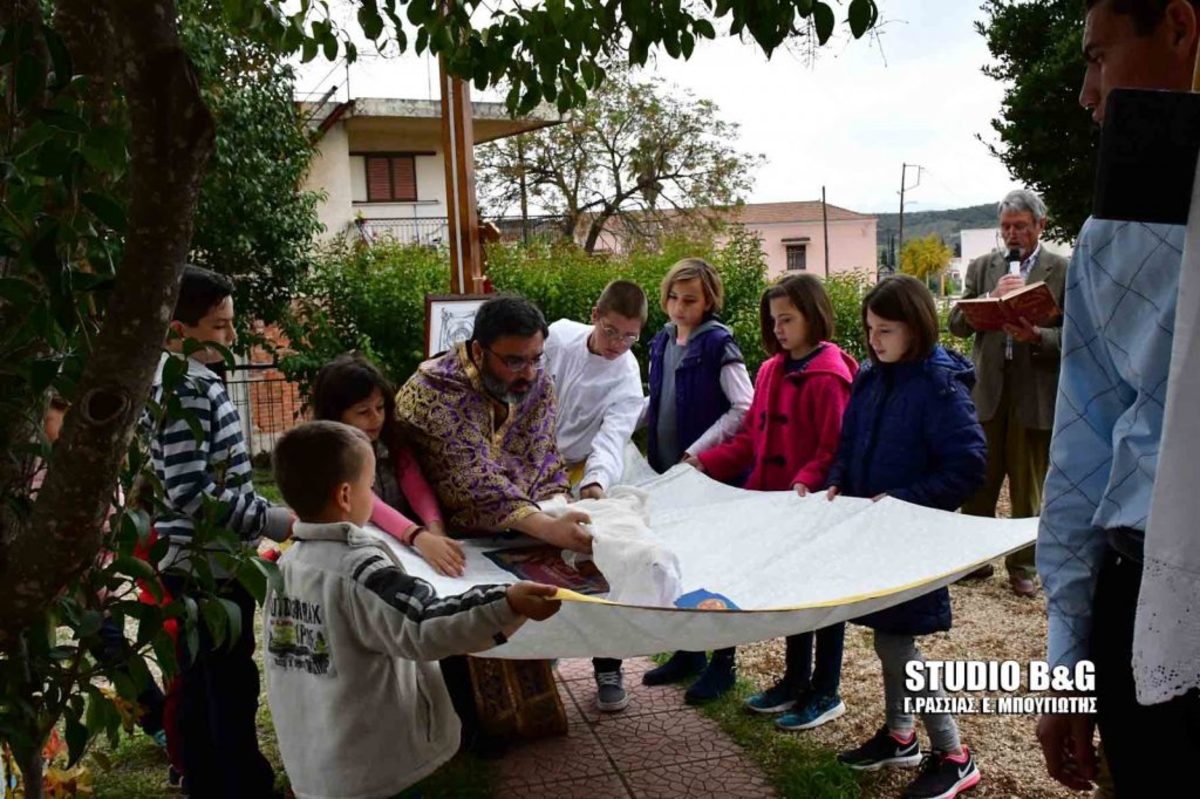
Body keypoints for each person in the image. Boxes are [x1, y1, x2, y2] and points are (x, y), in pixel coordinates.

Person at [1037, 1, 1200, 792]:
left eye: (1099, 57)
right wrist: (1066, 666)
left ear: (1179, 29)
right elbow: (1083, 452)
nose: (1086, 94)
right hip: (1142, 593)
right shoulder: (1115, 234)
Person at [264, 420, 561, 799]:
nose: (373, 495)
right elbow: (425, 622)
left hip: (317, 765)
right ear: (345, 495)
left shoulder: (286, 566)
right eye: (370, 485)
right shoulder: (358, 569)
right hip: (376, 772)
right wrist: (507, 602)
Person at [829, 275, 986, 799]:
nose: (874, 340)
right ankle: (900, 737)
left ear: (915, 328)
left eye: (886, 330)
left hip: (911, 537)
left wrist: (904, 500)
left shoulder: (940, 387)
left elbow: (968, 466)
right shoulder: (871, 376)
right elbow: (850, 440)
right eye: (870, 329)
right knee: (889, 635)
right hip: (874, 534)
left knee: (897, 641)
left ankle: (955, 754)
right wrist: (838, 478)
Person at [686, 274, 857, 730]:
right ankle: (795, 680)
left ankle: (826, 691)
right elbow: (751, 440)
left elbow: (835, 447)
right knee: (791, 596)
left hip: (812, 509)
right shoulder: (768, 371)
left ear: (813, 317)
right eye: (774, 320)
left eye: (787, 319)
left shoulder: (830, 378)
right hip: (773, 507)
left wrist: (804, 482)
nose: (778, 329)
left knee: (825, 601)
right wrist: (706, 462)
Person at [147, 265, 293, 797]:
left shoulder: (189, 381)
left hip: (204, 559)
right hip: (205, 565)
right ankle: (240, 784)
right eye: (219, 326)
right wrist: (272, 519)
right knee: (227, 684)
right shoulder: (185, 389)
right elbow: (190, 491)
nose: (232, 336)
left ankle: (207, 780)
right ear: (177, 331)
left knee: (205, 681)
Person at [394, 295, 592, 553]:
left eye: (536, 359)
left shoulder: (536, 383)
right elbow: (473, 482)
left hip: (526, 528)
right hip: (438, 537)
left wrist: (559, 502)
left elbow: (545, 458)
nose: (529, 373)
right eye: (515, 361)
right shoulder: (435, 393)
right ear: (479, 352)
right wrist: (548, 527)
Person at [640, 257, 753, 703]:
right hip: (668, 476)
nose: (679, 307)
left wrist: (700, 453)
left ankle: (724, 663)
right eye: (673, 297)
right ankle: (689, 652)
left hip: (708, 479)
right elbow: (658, 397)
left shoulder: (719, 344)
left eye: (689, 300)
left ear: (708, 302)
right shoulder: (663, 339)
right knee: (680, 564)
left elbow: (744, 407)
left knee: (716, 568)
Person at [949, 190, 1068, 597]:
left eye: (1020, 226)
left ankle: (1023, 566)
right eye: (1006, 227)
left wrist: (1037, 336)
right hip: (989, 390)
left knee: (1027, 485)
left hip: (1034, 390)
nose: (1012, 234)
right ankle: (975, 560)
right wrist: (989, 298)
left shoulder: (1061, 270)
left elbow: (1075, 335)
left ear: (1040, 225)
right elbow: (956, 324)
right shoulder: (984, 267)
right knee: (979, 479)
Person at [543, 280, 648, 713]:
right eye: (611, 331)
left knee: (600, 563)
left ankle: (608, 665)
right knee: (542, 561)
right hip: (536, 463)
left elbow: (613, 434)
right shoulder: (557, 337)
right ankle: (544, 649)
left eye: (630, 337)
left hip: (587, 467)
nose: (618, 344)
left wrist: (596, 484)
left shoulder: (626, 374)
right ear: (594, 316)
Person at [311, 353, 464, 576]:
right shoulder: (328, 455)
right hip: (354, 555)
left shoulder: (390, 438)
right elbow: (369, 503)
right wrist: (418, 536)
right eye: (363, 412)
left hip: (401, 545)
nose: (376, 418)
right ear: (336, 416)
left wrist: (436, 530)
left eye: (380, 407)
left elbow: (415, 485)